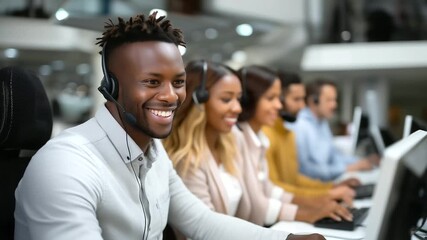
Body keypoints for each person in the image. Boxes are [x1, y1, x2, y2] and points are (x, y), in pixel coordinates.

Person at [14, 12, 325, 240]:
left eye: (178, 82)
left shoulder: (153, 153)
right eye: (151, 82)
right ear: (111, 87)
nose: (170, 96)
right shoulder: (65, 165)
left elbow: (200, 222)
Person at [165, 60, 300, 229]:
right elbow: (206, 231)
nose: (237, 108)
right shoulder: (186, 161)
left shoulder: (229, 145)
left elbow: (257, 197)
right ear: (199, 101)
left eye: (238, 99)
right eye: (226, 99)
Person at [233, 65, 353, 224]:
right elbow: (270, 193)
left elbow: (280, 185)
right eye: (271, 98)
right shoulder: (259, 136)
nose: (302, 106)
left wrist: (328, 191)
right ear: (249, 101)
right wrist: (319, 200)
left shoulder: (280, 134)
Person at [263, 71, 358, 201]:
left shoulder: (288, 134)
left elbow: (294, 179)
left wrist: (330, 188)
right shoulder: (267, 135)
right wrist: (327, 194)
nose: (303, 106)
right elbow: (276, 189)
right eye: (296, 99)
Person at [289, 79, 379, 181]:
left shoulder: (322, 123)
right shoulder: (300, 126)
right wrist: (347, 169)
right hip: (312, 187)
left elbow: (334, 157)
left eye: (335, 100)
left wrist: (362, 161)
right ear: (313, 101)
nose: (334, 105)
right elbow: (305, 170)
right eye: (329, 100)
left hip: (325, 183)